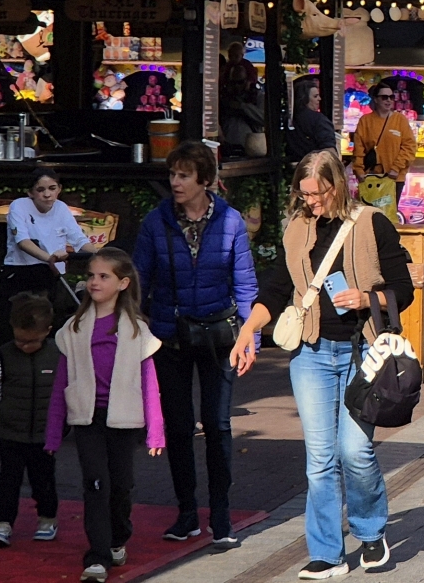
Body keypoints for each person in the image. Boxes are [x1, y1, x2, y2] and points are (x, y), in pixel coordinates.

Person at [228, 152, 415, 579]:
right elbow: (278, 288)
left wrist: (366, 298)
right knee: (320, 459)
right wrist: (247, 332)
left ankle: (370, 531)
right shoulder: (297, 228)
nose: (310, 201)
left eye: (318, 193)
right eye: (304, 193)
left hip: (362, 353)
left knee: (355, 451)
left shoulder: (372, 223)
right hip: (311, 354)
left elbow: (403, 289)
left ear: (338, 185)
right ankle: (328, 554)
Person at [131, 141, 256, 546]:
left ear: (205, 179)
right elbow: (138, 278)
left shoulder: (231, 221)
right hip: (170, 335)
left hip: (219, 335)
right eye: (172, 174)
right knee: (179, 425)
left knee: (218, 424)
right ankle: (187, 512)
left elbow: (245, 283)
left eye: (184, 175)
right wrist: (136, 322)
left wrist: (250, 336)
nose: (175, 182)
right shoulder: (156, 221)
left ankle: (221, 514)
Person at [45, 249, 164, 582]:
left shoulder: (136, 330)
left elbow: (149, 384)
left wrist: (156, 431)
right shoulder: (74, 328)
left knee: (121, 485)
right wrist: (53, 433)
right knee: (96, 484)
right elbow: (61, 384)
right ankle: (97, 556)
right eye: (91, 276)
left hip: (124, 421)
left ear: (123, 283)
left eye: (103, 276)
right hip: (88, 420)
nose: (94, 282)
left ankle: (117, 538)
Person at [0, 293, 62, 548]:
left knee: (44, 481)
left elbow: (66, 393)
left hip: (44, 435)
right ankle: (2, 524)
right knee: (8, 482)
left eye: (31, 341)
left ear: (47, 331)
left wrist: (61, 427)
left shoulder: (58, 355)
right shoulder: (2, 355)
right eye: (19, 340)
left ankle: (47, 519)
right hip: (10, 432)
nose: (24, 346)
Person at [1, 168, 95, 320]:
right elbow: (23, 241)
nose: (47, 194)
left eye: (52, 188)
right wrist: (49, 258)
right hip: (23, 270)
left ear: (59, 189)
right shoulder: (19, 206)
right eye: (40, 190)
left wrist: (99, 255)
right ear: (30, 192)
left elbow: (78, 239)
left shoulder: (61, 208)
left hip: (54, 271)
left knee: (58, 314)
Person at [349, 81, 414, 187]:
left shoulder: (400, 120)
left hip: (394, 178)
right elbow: (358, 149)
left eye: (391, 97)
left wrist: (396, 168)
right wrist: (359, 171)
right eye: (384, 97)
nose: (389, 100)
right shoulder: (365, 121)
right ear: (376, 99)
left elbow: (409, 147)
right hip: (370, 177)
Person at [288, 79, 339, 159]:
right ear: (305, 99)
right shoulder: (319, 120)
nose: (319, 99)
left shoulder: (290, 119)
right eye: (315, 96)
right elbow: (329, 151)